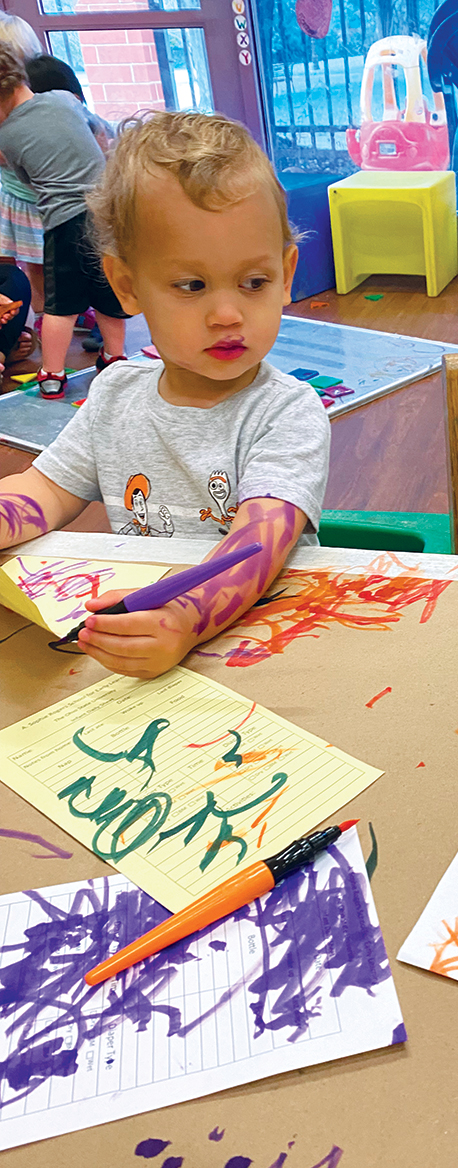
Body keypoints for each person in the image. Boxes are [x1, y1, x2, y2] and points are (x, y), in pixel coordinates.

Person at [0, 109, 330, 680]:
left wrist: (185, 618)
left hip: (255, 646)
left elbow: (260, 541)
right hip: (140, 637)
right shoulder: (115, 395)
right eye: (192, 285)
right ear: (127, 286)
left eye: (255, 282)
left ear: (286, 272)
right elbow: (44, 491)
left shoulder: (287, 412)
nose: (228, 314)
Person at [0, 41, 127, 398]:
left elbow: (28, 181)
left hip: (63, 223)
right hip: (106, 213)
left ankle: (52, 373)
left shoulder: (7, 136)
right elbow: (98, 134)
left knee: (61, 305)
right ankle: (115, 358)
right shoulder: (65, 99)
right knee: (109, 292)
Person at [0, 15, 44, 333]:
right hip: (14, 197)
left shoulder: (41, 96)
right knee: (19, 271)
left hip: (40, 197)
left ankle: (40, 320)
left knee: (43, 263)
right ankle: (32, 323)